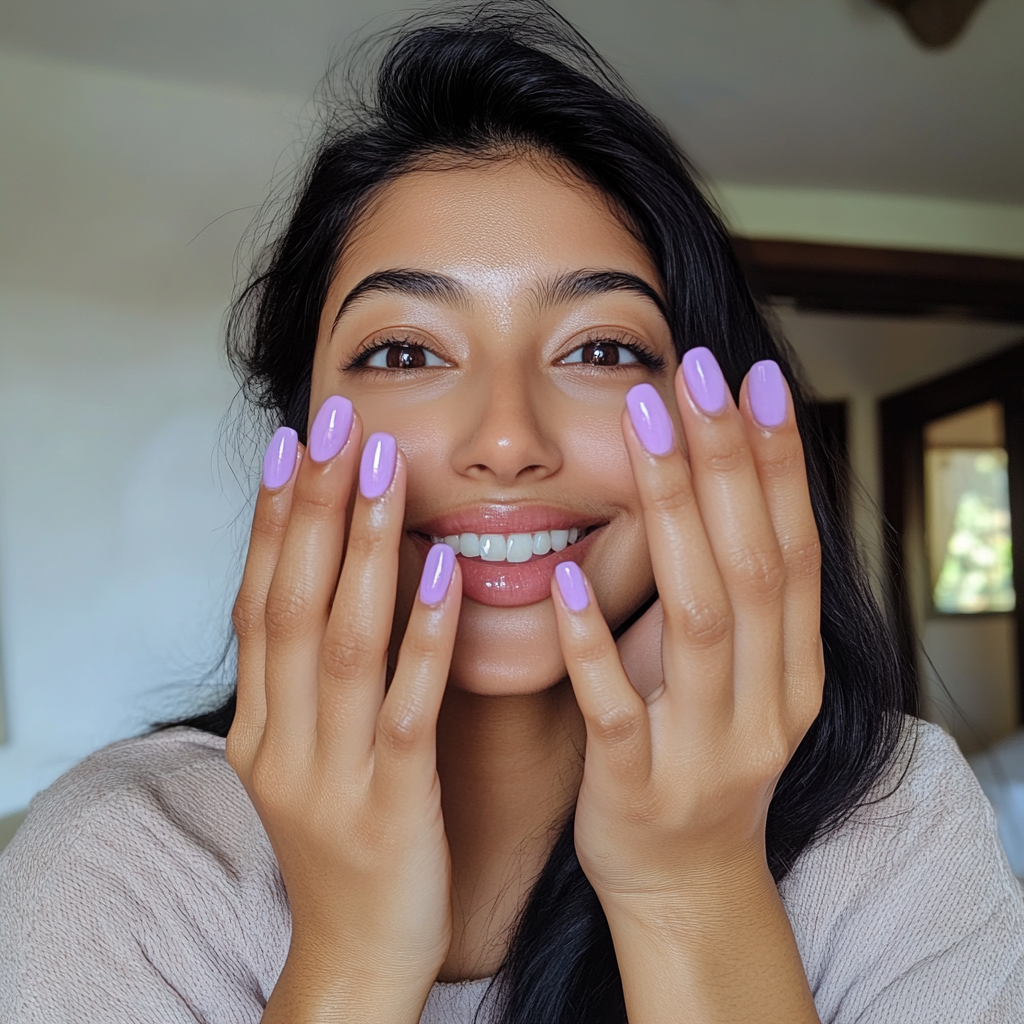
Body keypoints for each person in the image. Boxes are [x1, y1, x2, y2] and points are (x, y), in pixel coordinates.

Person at [1, 4, 1021, 1022]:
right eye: (403, 352)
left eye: (600, 349)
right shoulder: (126, 860)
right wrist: (351, 956)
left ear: (712, 415)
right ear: (301, 430)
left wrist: (693, 889)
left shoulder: (892, 819)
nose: (505, 438)